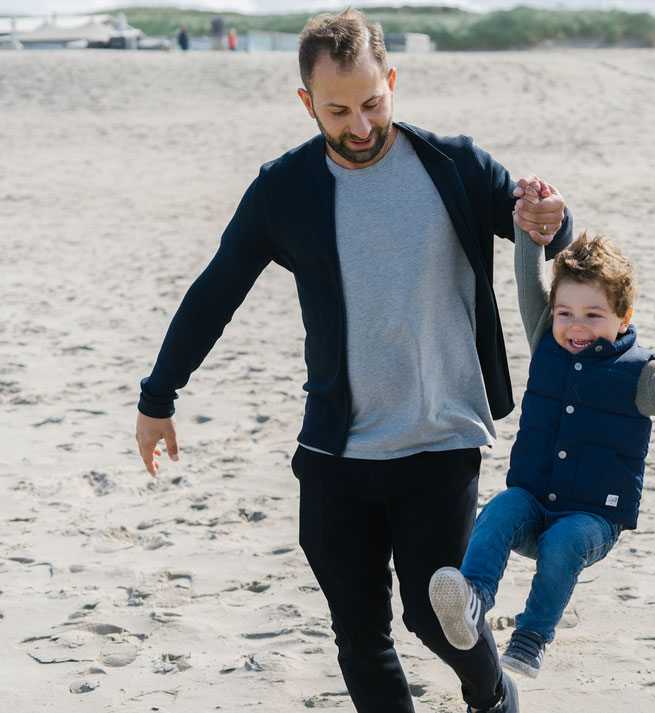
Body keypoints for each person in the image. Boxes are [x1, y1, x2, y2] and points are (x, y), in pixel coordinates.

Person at [134, 9, 573, 713]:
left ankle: (492, 696)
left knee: (433, 614)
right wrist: (159, 396)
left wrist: (554, 218)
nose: (360, 125)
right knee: (359, 635)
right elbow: (218, 288)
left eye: (373, 103)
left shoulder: (453, 165)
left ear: (392, 82)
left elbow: (541, 226)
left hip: (441, 436)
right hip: (336, 449)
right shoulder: (285, 189)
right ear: (307, 102)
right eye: (337, 110)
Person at [428, 185, 655, 680]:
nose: (576, 326)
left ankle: (531, 638)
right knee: (499, 508)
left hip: (592, 519)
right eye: (566, 312)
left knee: (565, 540)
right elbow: (529, 277)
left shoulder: (640, 374)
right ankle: (473, 601)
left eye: (594, 315)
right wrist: (528, 222)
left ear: (623, 317)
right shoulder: (545, 334)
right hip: (533, 502)